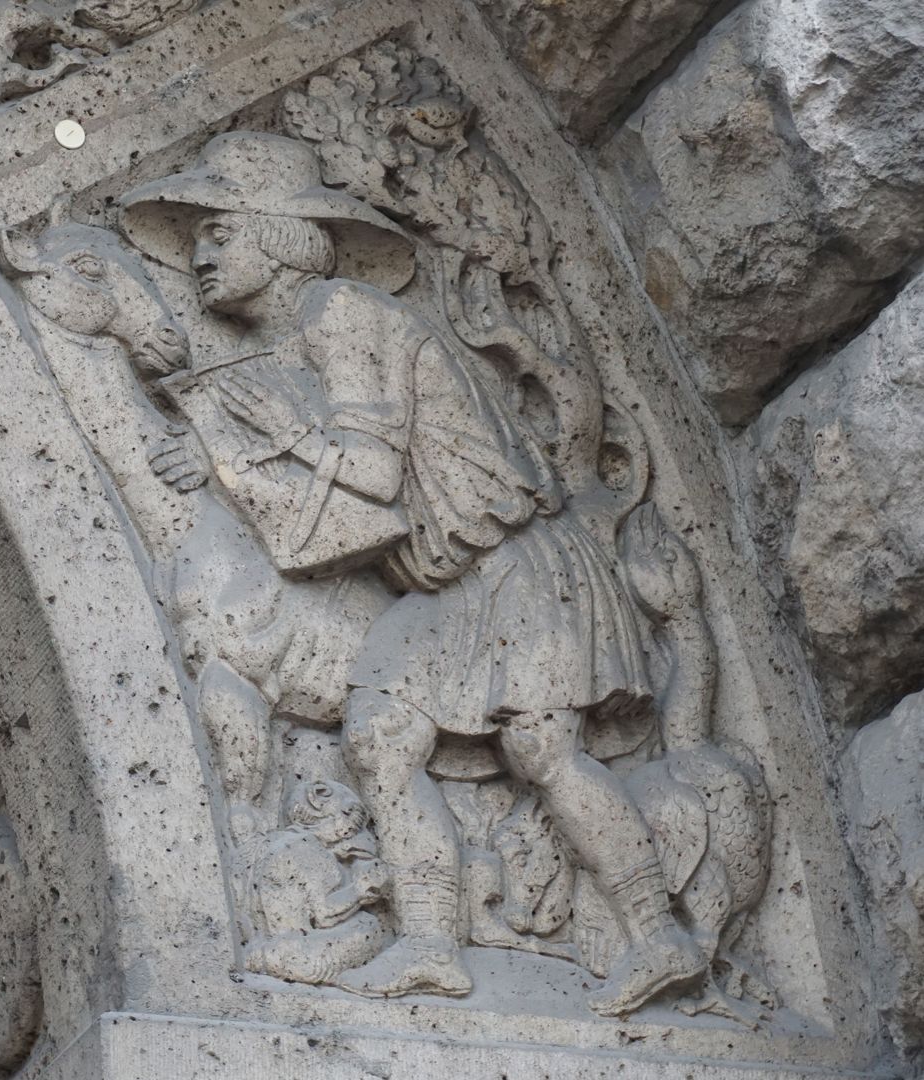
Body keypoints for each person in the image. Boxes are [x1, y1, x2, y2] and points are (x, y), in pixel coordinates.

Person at [120, 131, 706, 1016]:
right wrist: (216, 456)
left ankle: (658, 935)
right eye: (200, 239)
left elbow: (371, 476)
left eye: (222, 233)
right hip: (445, 586)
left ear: (279, 240)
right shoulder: (296, 342)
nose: (203, 253)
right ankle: (433, 941)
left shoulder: (342, 316)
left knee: (542, 751)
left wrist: (270, 442)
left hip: (514, 563)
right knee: (378, 737)